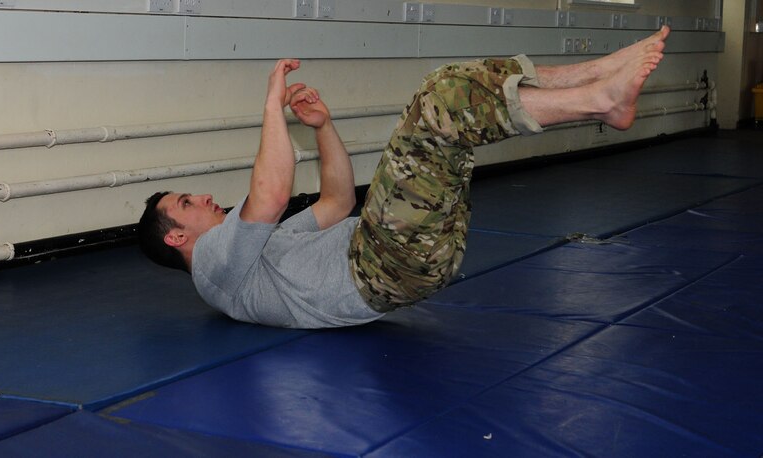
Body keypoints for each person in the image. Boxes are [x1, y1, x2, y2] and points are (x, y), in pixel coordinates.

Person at [138, 27, 670, 328]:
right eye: (186, 202)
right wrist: (271, 104)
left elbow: (339, 200)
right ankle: (599, 97)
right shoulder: (213, 264)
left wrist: (322, 128)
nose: (203, 196)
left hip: (394, 259)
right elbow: (271, 192)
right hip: (379, 264)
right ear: (177, 237)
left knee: (450, 94)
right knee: (438, 99)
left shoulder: (255, 254)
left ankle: (595, 83)